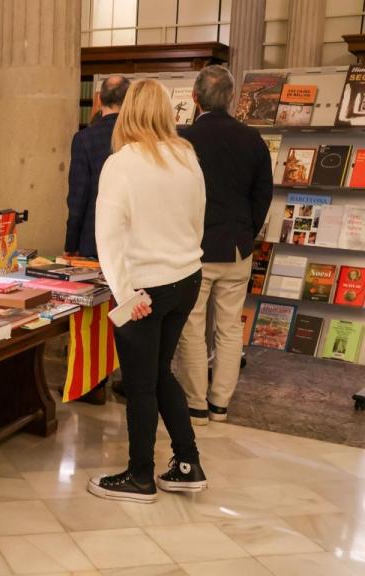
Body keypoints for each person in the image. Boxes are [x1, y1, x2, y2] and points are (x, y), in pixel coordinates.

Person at [88, 79, 208, 504]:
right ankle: (187, 464)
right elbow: (198, 219)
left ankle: (140, 475)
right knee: (159, 374)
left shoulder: (122, 163)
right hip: (187, 278)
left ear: (128, 112)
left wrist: (124, 295)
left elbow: (108, 238)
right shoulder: (186, 155)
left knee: (140, 384)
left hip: (145, 288)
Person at [175, 65, 273, 426]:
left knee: (192, 326)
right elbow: (263, 193)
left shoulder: (184, 141)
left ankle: (196, 403)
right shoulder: (253, 138)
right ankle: (220, 405)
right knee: (231, 329)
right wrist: (246, 231)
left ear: (195, 98)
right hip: (237, 247)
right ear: (231, 98)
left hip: (195, 249)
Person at [65, 75, 130, 258]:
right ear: (129, 101)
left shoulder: (84, 138)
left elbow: (77, 198)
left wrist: (71, 244)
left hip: (93, 238)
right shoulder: (139, 136)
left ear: (99, 99)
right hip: (132, 240)